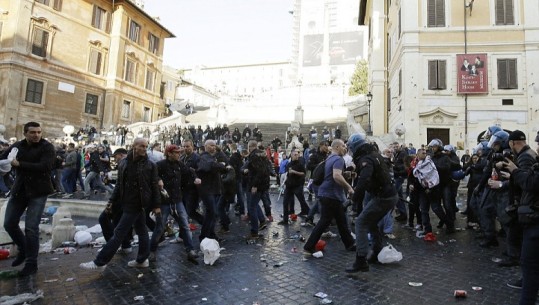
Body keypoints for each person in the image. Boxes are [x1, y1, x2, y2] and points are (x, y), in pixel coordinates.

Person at [80, 138, 161, 271]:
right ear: (134, 146)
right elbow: (119, 185)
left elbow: (154, 186)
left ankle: (100, 262)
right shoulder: (124, 162)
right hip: (126, 201)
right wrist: (111, 201)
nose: (144, 149)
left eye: (146, 146)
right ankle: (142, 260)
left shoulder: (150, 165)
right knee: (141, 231)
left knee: (119, 233)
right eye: (141, 146)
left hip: (137, 203)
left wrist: (156, 205)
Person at [1, 122, 56, 276]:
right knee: (9, 223)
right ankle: (23, 249)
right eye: (32, 132)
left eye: (39, 132)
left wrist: (20, 164)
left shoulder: (47, 147)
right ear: (25, 133)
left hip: (39, 191)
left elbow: (45, 166)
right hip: (20, 189)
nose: (36, 135)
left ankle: (31, 263)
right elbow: (3, 158)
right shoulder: (17, 146)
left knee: (32, 227)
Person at [346, 134, 398, 273]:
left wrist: (354, 199)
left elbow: (364, 180)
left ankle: (361, 260)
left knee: (361, 223)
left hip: (383, 197)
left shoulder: (366, 159)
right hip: (387, 195)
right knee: (371, 222)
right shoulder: (374, 154)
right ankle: (376, 251)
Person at [303, 139, 355, 255]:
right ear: (336, 147)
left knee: (340, 220)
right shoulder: (338, 159)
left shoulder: (329, 158)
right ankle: (308, 246)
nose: (345, 148)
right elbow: (336, 176)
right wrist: (349, 188)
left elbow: (333, 175)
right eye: (343, 146)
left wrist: (345, 175)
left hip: (326, 193)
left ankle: (350, 244)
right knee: (326, 221)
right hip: (331, 195)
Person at [150, 144, 199, 263]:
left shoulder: (179, 164)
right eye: (176, 152)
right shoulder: (160, 165)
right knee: (159, 227)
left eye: (179, 152)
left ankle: (190, 250)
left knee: (185, 225)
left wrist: (195, 178)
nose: (179, 154)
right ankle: (151, 251)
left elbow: (189, 172)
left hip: (177, 200)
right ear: (169, 154)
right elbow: (152, 177)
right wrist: (158, 180)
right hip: (164, 201)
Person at [503, 144, 539, 305]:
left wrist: (515, 170)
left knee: (530, 267)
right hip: (532, 219)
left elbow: (531, 184)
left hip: (535, 221)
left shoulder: (526, 159)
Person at [97, 148, 132, 254]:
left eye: (115, 156)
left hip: (121, 199)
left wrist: (111, 201)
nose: (114, 159)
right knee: (120, 223)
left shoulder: (124, 163)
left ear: (120, 155)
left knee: (105, 219)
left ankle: (112, 246)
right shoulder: (127, 163)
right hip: (125, 199)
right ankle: (125, 245)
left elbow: (120, 184)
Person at [196, 139, 226, 241]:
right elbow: (210, 167)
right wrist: (221, 165)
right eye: (211, 145)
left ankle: (209, 235)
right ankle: (205, 236)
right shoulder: (204, 157)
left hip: (213, 189)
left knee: (211, 213)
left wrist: (221, 165)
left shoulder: (212, 157)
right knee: (212, 212)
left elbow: (221, 164)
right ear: (206, 146)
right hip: (207, 190)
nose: (213, 147)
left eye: (214, 146)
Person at [243, 140, 270, 239]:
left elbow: (260, 171)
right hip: (263, 185)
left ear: (250, 146)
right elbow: (263, 170)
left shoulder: (254, 156)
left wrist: (255, 185)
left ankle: (254, 231)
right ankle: (261, 221)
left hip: (257, 185)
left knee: (252, 207)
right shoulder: (262, 155)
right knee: (253, 205)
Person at [279, 149, 309, 225]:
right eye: (295, 154)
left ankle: (310, 216)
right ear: (291, 155)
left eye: (297, 154)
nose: (297, 156)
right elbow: (287, 174)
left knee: (302, 201)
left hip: (297, 186)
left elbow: (304, 174)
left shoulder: (300, 164)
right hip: (289, 186)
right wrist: (284, 181)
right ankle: (285, 220)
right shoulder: (288, 164)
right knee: (285, 202)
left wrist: (295, 172)